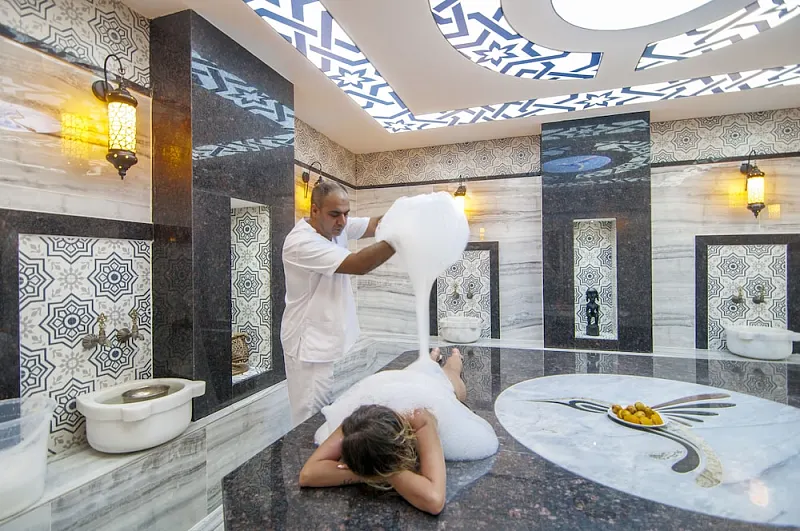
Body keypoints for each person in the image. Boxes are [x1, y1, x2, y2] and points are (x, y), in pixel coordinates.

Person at [281, 180, 395, 426]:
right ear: (314, 210)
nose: (342, 222)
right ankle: (305, 452)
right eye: (335, 214)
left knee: (321, 412)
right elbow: (359, 264)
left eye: (346, 214)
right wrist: (401, 237)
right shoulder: (301, 243)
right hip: (307, 346)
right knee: (309, 418)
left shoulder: (335, 226)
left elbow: (374, 224)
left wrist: (411, 215)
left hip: (323, 339)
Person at [298, 348, 465, 515]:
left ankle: (454, 357)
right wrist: (376, 471)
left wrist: (376, 472)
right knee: (417, 370)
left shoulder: (419, 418)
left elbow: (434, 500)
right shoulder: (359, 423)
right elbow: (308, 474)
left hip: (435, 389)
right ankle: (430, 359)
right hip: (397, 385)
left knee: (450, 374)